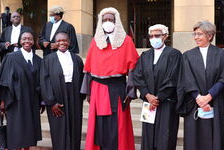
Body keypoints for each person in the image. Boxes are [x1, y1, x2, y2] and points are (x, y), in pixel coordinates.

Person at [81, 7, 139, 150]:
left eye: (111, 20)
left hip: (118, 89)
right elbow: (88, 68)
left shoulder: (126, 41)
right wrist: (88, 91)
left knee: (117, 125)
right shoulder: (95, 41)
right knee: (99, 124)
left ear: (116, 21)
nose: (108, 22)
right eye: (105, 20)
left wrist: (131, 92)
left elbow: (133, 69)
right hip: (98, 89)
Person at [176, 21, 224, 150]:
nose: (196, 37)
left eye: (199, 34)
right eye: (195, 34)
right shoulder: (187, 55)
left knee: (215, 138)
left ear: (210, 36)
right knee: (194, 139)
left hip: (215, 101)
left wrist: (209, 96)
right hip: (194, 103)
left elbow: (223, 78)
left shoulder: (221, 54)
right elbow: (186, 78)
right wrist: (199, 97)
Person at [0, 31, 43, 150]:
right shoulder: (11, 57)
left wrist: (42, 100)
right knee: (17, 130)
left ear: (34, 42)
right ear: (20, 41)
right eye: (24, 39)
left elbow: (41, 82)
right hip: (15, 100)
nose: (27, 41)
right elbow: (4, 79)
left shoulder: (39, 60)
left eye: (30, 39)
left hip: (32, 100)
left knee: (29, 130)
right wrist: (3, 101)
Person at [132, 24, 181, 150]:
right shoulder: (145, 55)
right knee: (148, 137)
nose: (154, 38)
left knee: (165, 137)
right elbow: (138, 76)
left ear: (165, 36)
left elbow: (173, 78)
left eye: (157, 35)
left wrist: (158, 98)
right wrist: (148, 95)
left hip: (166, 103)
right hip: (148, 103)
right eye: (151, 36)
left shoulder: (174, 54)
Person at [40, 32, 84, 150]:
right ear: (55, 43)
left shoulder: (77, 59)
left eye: (64, 40)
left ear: (69, 42)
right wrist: (51, 102)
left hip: (74, 95)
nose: (62, 43)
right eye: (59, 41)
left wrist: (81, 98)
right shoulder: (48, 60)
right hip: (56, 97)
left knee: (74, 125)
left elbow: (82, 79)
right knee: (59, 127)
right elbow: (45, 81)